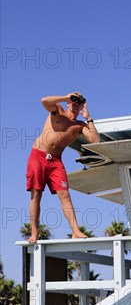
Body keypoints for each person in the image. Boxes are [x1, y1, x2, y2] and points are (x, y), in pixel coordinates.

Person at [26, 92, 100, 243]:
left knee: (65, 195)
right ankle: (34, 233)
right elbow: (44, 100)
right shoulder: (57, 110)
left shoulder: (80, 126)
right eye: (73, 101)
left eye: (79, 102)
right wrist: (66, 97)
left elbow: (95, 140)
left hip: (55, 161)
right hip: (38, 156)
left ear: (82, 106)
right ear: (68, 103)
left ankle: (75, 230)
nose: (75, 104)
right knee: (36, 194)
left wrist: (89, 118)